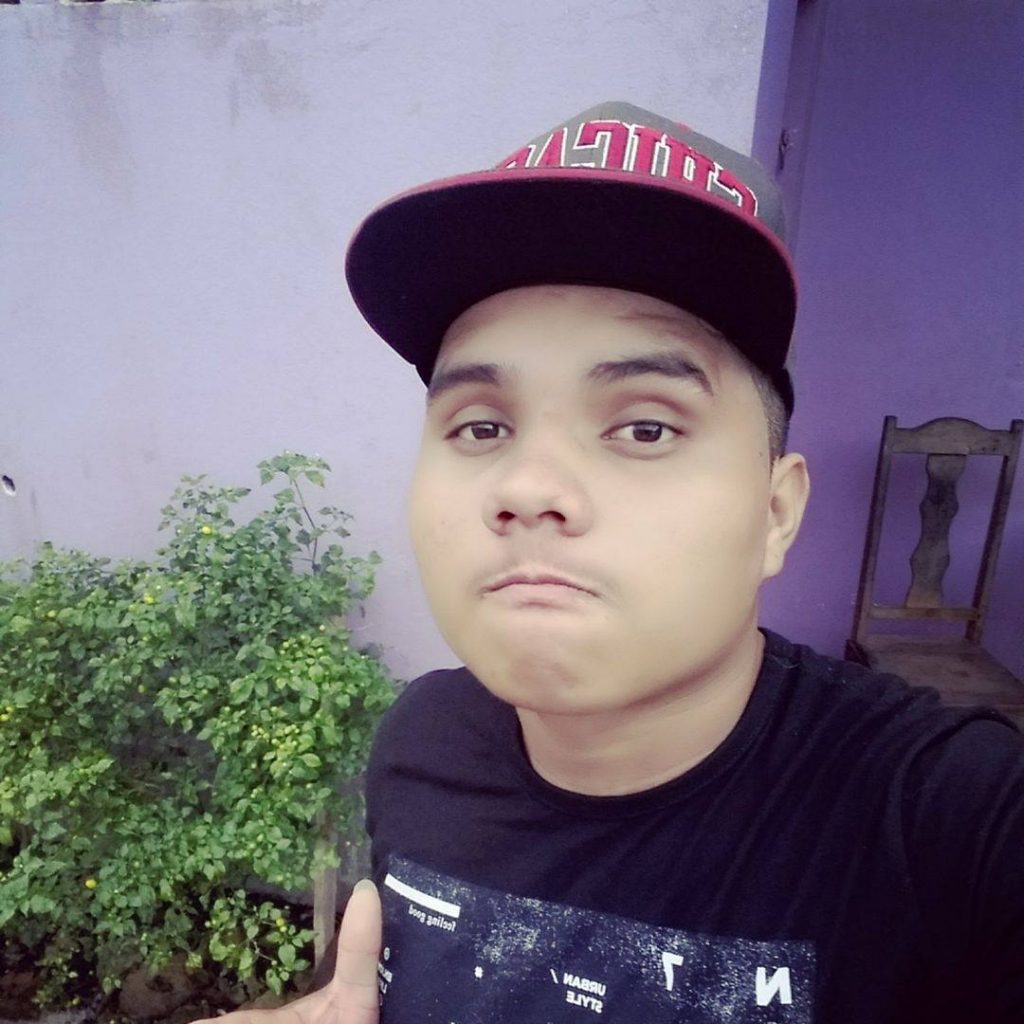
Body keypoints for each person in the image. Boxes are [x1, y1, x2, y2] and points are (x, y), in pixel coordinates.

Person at [197, 102, 1024, 1024]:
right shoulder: (422, 742)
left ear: (775, 513)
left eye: (645, 427)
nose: (527, 486)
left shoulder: (956, 823)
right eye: (481, 427)